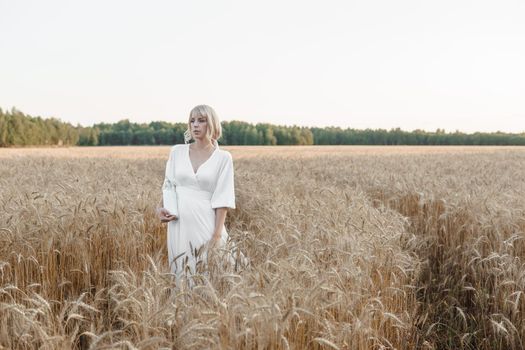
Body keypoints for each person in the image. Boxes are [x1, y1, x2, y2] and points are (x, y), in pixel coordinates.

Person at [156, 105, 236, 282]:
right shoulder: (177, 152)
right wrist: (160, 208)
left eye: (201, 120)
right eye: (192, 121)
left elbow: (223, 199)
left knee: (209, 276)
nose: (195, 125)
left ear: (212, 123)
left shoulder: (223, 158)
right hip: (178, 225)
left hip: (206, 225)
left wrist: (216, 236)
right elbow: (168, 185)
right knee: (182, 274)